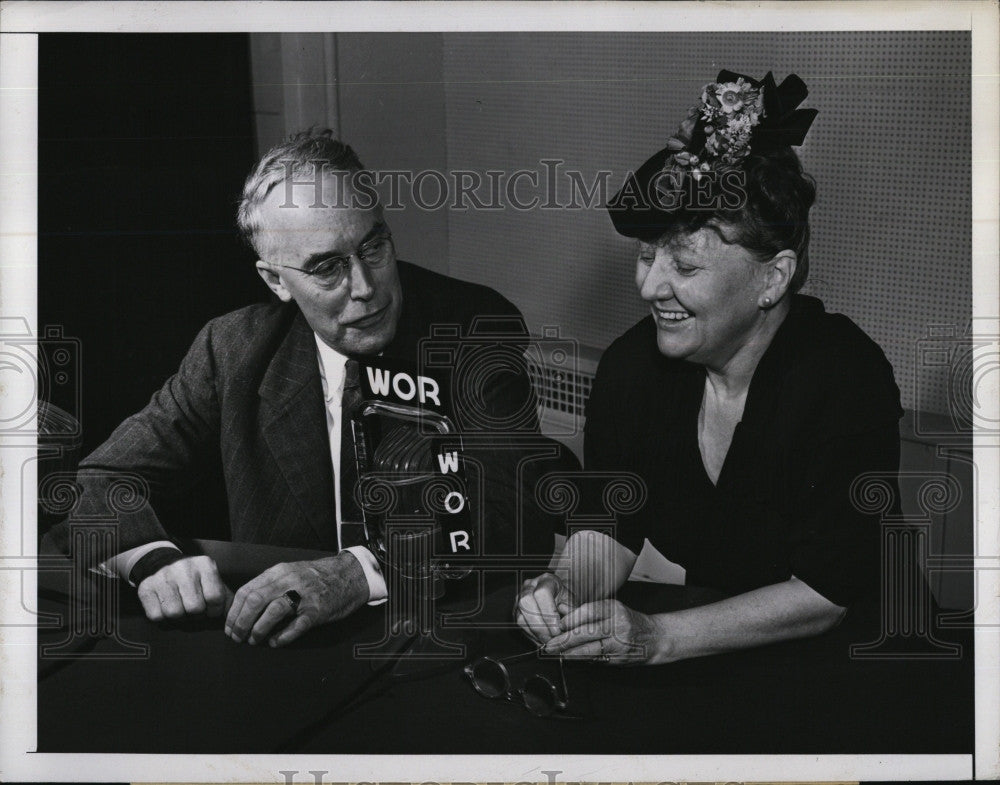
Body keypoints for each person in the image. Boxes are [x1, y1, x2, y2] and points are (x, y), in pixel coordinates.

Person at [55, 129, 546, 647]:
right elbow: (98, 483)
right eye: (326, 267)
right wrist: (153, 559)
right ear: (275, 282)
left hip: (437, 636)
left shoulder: (472, 327)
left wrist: (358, 572)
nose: (364, 287)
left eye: (373, 246)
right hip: (290, 651)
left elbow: (514, 511)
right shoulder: (233, 350)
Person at [516, 71, 903, 664]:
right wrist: (566, 590)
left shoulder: (844, 379)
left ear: (772, 278)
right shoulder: (631, 369)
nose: (650, 286)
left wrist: (660, 638)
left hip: (856, 656)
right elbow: (610, 528)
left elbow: (827, 594)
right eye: (647, 257)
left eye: (685, 268)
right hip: (717, 646)